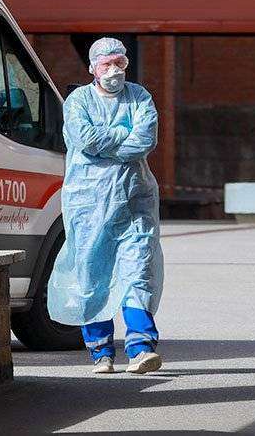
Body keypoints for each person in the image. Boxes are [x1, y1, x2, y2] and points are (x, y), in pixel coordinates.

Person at [47, 37, 165, 374]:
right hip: (89, 203)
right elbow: (84, 139)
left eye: (120, 63)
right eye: (106, 64)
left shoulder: (139, 97)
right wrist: (122, 133)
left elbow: (144, 140)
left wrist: (106, 142)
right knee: (91, 274)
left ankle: (141, 348)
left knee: (138, 271)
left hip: (134, 200)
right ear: (92, 68)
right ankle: (101, 351)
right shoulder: (78, 101)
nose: (114, 70)